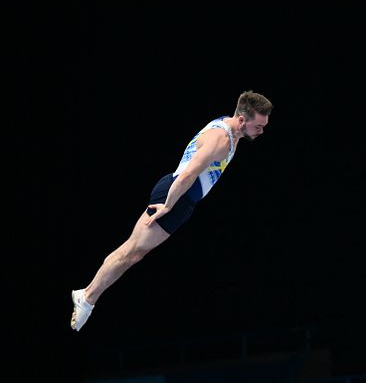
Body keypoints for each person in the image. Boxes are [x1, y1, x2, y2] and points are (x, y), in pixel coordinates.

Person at [70, 90, 273, 331]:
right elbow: (188, 174)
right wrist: (168, 205)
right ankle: (87, 297)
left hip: (182, 199)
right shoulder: (222, 139)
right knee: (130, 252)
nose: (261, 131)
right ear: (242, 119)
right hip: (176, 196)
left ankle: (88, 296)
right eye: (258, 126)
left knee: (135, 253)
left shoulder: (230, 127)